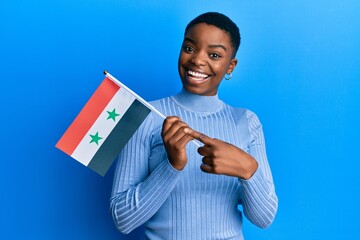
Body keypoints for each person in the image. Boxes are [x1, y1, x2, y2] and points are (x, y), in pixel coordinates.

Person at [110, 12, 278, 239]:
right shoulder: (145, 116)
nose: (198, 60)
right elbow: (122, 219)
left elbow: (264, 219)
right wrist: (172, 166)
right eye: (189, 48)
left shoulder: (246, 122)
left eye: (214, 54)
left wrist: (247, 169)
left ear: (230, 66)